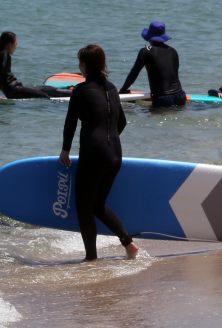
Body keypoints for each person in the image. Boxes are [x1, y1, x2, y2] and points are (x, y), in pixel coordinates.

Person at [60, 45, 140, 262]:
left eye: (80, 62)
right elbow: (121, 121)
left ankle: (91, 258)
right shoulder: (112, 88)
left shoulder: (80, 91)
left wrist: (65, 150)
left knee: (84, 206)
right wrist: (108, 144)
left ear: (85, 65)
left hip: (94, 153)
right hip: (115, 153)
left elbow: (70, 124)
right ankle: (129, 244)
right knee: (97, 205)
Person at [0, 31, 70, 100]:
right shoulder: (4, 54)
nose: (16, 47)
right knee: (44, 95)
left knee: (48, 89)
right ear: (9, 44)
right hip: (14, 90)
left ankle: (74, 93)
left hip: (15, 89)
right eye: (16, 44)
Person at [119, 21, 187, 107]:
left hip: (162, 98)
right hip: (180, 96)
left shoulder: (145, 52)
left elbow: (134, 73)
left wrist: (123, 90)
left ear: (150, 36)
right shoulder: (173, 51)